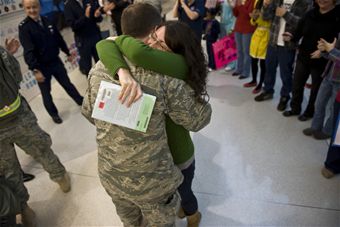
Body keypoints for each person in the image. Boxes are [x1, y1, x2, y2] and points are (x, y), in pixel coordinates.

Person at [82, 3, 212, 227]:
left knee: (130, 221)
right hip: (154, 181)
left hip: (111, 174)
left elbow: (88, 112)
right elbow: (198, 119)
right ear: (155, 27)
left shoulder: (101, 67)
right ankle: (191, 214)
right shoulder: (166, 76)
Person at [0, 38, 71, 226]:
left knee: (9, 172)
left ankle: (23, 209)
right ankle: (60, 177)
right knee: (41, 149)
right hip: (19, 116)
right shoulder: (1, 53)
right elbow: (16, 78)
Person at [18, 0, 84, 124]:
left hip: (55, 61)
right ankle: (54, 114)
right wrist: (35, 70)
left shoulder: (47, 21)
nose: (32, 10)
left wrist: (67, 52)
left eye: (34, 7)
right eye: (28, 8)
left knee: (67, 84)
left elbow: (58, 38)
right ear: (24, 9)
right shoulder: (24, 27)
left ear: (39, 7)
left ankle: (81, 101)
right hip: (41, 66)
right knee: (46, 93)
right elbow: (28, 51)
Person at [282, 1, 340, 121]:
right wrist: (291, 36)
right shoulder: (310, 13)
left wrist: (324, 52)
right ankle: (295, 108)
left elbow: (337, 43)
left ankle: (309, 112)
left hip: (323, 61)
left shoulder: (337, 17)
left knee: (316, 89)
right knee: (297, 85)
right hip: (303, 56)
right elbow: (299, 31)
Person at [254, 0, 310, 112]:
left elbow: (302, 23)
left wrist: (285, 14)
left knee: (286, 73)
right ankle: (268, 90)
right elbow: (266, 17)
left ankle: (285, 96)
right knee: (269, 69)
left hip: (288, 44)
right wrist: (266, 5)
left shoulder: (304, 2)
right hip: (273, 41)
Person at [303, 34, 340, 140]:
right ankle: (315, 127)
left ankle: (327, 131)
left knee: (333, 109)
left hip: (338, 81)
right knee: (319, 103)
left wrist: (331, 50)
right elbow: (332, 55)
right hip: (329, 75)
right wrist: (324, 50)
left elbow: (334, 53)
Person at [64, 0, 114, 76]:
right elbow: (73, 26)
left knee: (102, 62)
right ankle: (93, 84)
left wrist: (97, 15)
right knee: (87, 67)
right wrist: (85, 17)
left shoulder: (89, 1)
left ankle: (107, 81)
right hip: (83, 40)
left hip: (95, 36)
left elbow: (98, 18)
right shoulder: (68, 5)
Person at [243, 0, 270, 93]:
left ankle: (261, 83)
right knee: (253, 60)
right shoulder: (258, 2)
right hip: (257, 34)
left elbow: (269, 20)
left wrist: (259, 17)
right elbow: (253, 23)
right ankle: (254, 80)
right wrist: (254, 18)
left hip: (267, 35)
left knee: (263, 63)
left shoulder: (274, 3)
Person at [231, 0, 256, 80]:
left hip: (248, 29)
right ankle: (239, 69)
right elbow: (235, 14)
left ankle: (245, 72)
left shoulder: (253, 1)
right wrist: (234, 6)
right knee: (239, 50)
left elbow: (250, 15)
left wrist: (240, 5)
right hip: (238, 27)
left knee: (246, 51)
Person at [220, 0, 236, 71]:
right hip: (223, 23)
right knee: (224, 44)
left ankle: (232, 64)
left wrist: (233, 27)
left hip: (230, 23)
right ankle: (225, 61)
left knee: (230, 44)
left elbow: (235, 11)